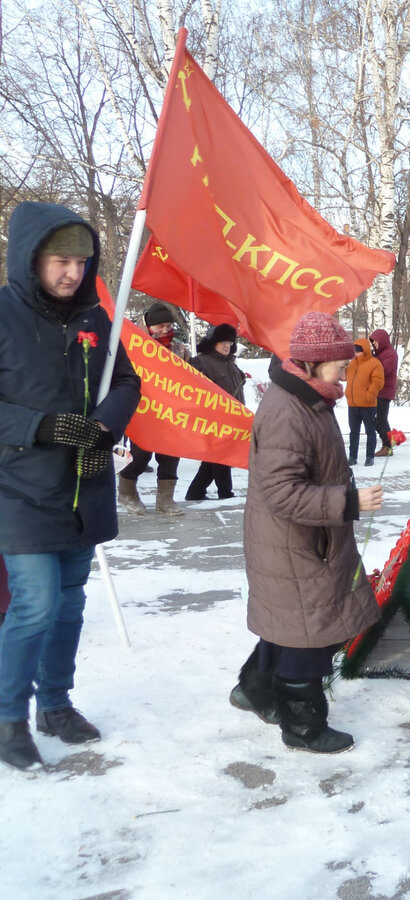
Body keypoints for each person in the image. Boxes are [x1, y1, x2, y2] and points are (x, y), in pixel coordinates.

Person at [0, 203, 140, 771]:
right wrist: (39, 426)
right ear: (32, 257)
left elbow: (126, 382)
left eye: (81, 262)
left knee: (68, 604)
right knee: (33, 603)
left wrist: (103, 428)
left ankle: (55, 704)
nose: (72, 274)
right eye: (61, 260)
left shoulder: (94, 320)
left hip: (84, 485)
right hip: (18, 487)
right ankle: (9, 717)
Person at [231, 312, 382, 754]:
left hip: (305, 542)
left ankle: (255, 690)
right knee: (307, 636)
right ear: (314, 362)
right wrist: (348, 503)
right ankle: (303, 728)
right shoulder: (288, 410)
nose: (346, 368)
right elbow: (282, 491)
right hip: (295, 544)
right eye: (338, 362)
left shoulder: (311, 397)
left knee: (291, 623)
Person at [117, 302, 185, 516]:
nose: (166, 330)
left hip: (172, 411)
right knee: (141, 454)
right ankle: (127, 493)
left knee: (171, 455)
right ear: (149, 326)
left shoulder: (180, 349)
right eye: (161, 326)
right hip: (142, 410)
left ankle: (165, 500)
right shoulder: (132, 346)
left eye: (169, 325)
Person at [185, 322, 246, 501]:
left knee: (216, 458)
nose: (227, 345)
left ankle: (196, 492)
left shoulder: (231, 364)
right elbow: (195, 392)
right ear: (213, 343)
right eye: (222, 342)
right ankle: (225, 493)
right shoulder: (202, 362)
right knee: (221, 456)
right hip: (213, 420)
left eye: (229, 342)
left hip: (233, 419)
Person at [345, 337, 384, 466]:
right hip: (353, 404)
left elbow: (378, 381)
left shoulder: (374, 363)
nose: (356, 354)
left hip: (368, 404)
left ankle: (369, 457)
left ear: (365, 351)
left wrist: (370, 395)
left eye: (358, 351)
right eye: (355, 351)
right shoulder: (352, 363)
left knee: (370, 431)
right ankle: (352, 457)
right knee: (353, 432)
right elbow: (344, 376)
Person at [369, 329, 399, 457]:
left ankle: (388, 446)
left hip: (384, 391)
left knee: (381, 419)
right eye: (373, 342)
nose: (374, 344)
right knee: (375, 419)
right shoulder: (381, 353)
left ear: (382, 340)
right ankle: (389, 441)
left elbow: (383, 370)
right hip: (378, 391)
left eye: (375, 341)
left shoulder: (390, 354)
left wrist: (373, 360)